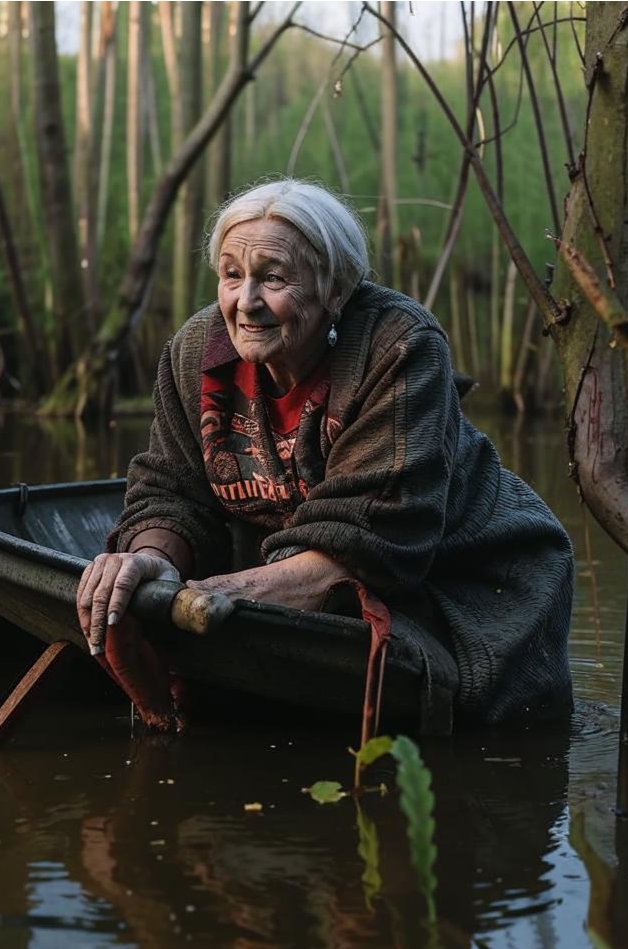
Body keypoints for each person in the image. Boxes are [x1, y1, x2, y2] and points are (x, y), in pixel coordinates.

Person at [77, 179, 574, 730]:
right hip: (282, 564)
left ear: (336, 288)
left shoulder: (400, 344)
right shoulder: (196, 349)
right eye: (232, 274)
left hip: (463, 576)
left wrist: (216, 592)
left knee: (482, 729)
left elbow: (377, 538)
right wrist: (154, 561)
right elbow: (170, 490)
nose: (246, 302)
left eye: (273, 278)